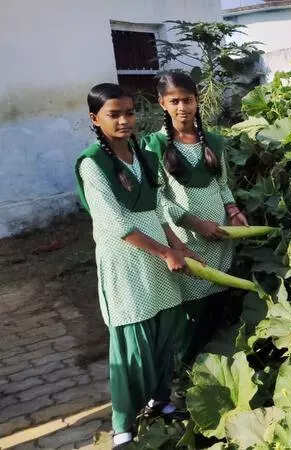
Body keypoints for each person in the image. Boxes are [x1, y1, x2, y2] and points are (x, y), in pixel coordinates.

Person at [76, 83, 190, 448]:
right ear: (95, 119)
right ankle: (123, 423)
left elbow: (157, 207)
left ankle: (159, 398)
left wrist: (178, 246)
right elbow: (116, 224)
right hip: (126, 263)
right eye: (114, 114)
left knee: (164, 331)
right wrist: (165, 252)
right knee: (132, 343)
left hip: (158, 257)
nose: (125, 120)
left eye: (129, 112)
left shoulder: (142, 154)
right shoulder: (91, 163)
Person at [144, 71, 249, 365]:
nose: (182, 108)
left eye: (188, 100)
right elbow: (158, 200)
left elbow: (223, 184)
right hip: (186, 242)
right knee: (192, 314)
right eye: (174, 101)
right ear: (162, 103)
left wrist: (233, 211)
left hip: (220, 237)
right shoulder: (153, 145)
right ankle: (185, 373)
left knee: (217, 307)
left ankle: (212, 368)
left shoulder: (213, 141)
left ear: (197, 101)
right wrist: (195, 224)